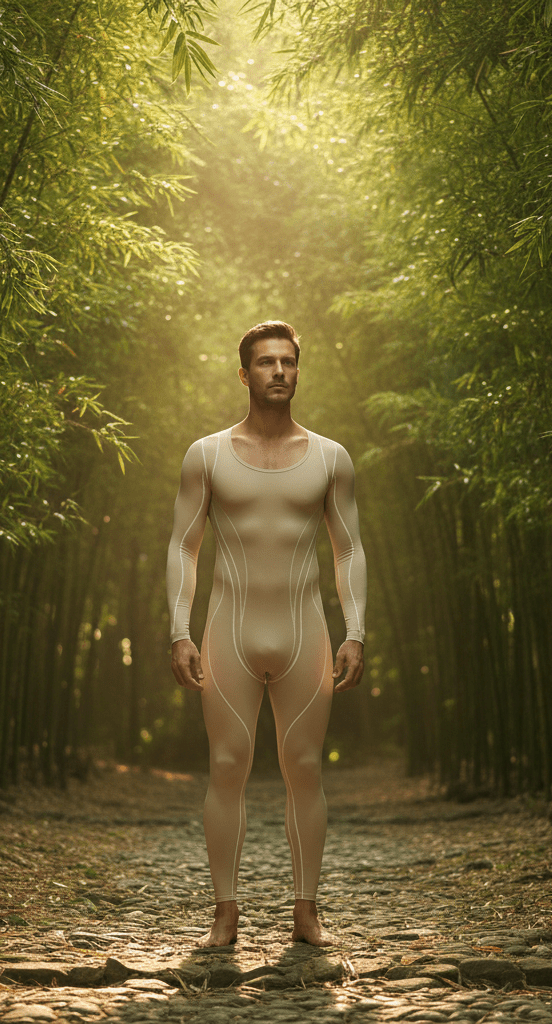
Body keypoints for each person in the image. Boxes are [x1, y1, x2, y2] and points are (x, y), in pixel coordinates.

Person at [166, 320, 367, 947]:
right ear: (244, 372)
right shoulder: (207, 454)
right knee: (226, 764)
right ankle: (225, 914)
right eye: (265, 362)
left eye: (287, 361)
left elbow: (348, 550)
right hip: (229, 631)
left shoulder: (333, 458)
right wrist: (179, 629)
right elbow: (184, 545)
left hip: (306, 632)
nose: (277, 371)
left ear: (299, 371)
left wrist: (355, 630)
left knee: (303, 767)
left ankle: (305, 913)